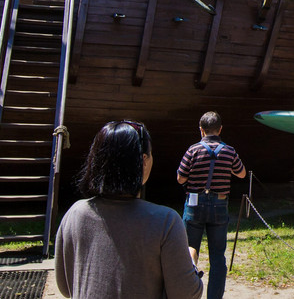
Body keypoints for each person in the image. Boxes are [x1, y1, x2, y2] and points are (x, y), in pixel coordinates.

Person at [54, 120, 203, 299]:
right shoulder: (166, 221)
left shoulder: (74, 214)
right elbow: (185, 294)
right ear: (144, 161)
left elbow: (65, 287)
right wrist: (190, 262)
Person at [176, 111, 247, 299]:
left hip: (194, 205)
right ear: (220, 129)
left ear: (201, 130)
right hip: (219, 205)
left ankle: (188, 292)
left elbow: (180, 177)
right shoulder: (229, 151)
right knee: (217, 257)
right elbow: (241, 173)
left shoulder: (193, 150)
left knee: (189, 252)